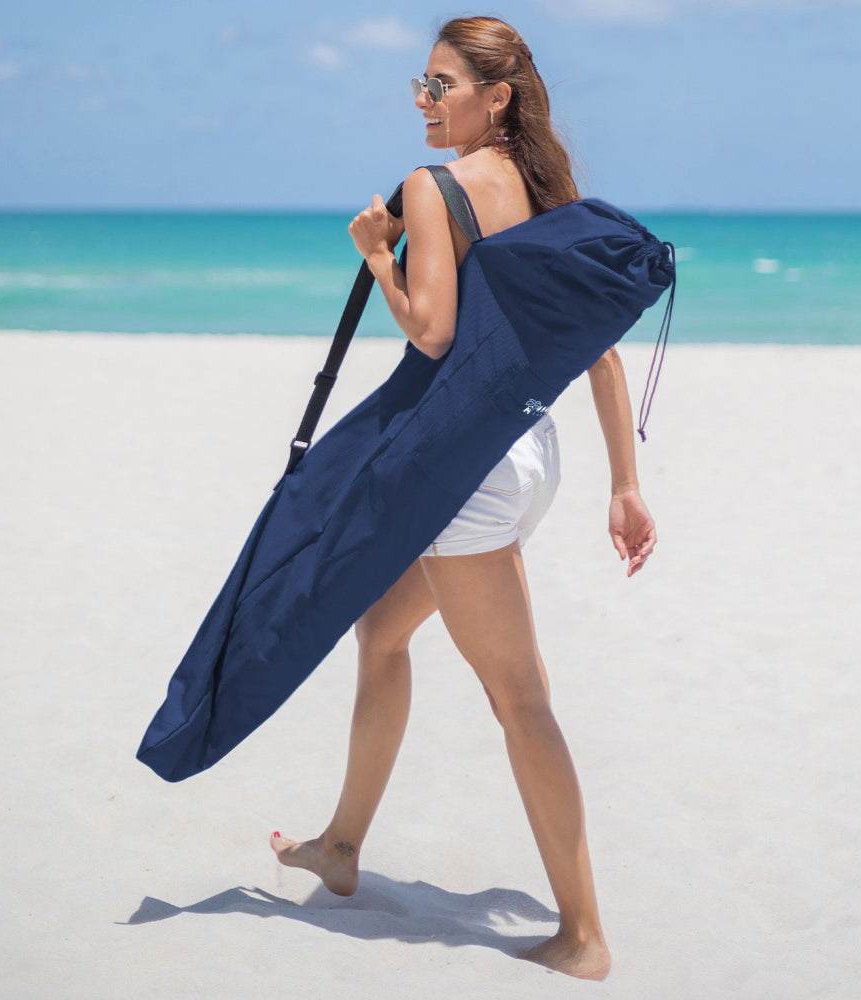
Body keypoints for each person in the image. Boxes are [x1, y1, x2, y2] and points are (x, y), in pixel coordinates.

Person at [270, 15, 656, 981]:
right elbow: (598, 350)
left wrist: (376, 257)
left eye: (443, 85)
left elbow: (433, 333)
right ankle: (343, 848)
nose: (424, 101)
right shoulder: (541, 190)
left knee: (519, 699)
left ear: (497, 96)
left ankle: (583, 935)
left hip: (469, 472)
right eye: (422, 82)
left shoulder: (432, 190)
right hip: (527, 453)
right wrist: (625, 486)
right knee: (383, 631)